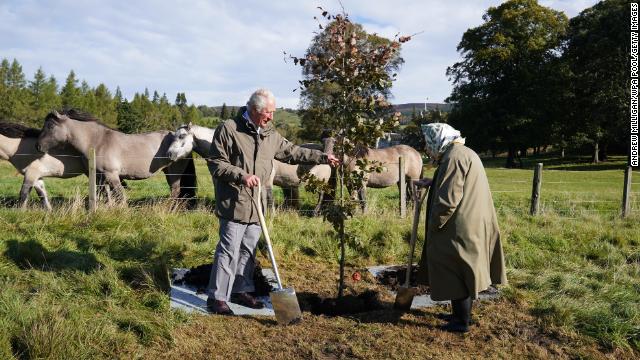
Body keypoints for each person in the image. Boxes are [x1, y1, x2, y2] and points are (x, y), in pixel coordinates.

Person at [205, 88, 339, 315]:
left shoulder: (269, 133)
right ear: (255, 110)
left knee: (248, 250)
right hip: (235, 202)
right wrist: (242, 175)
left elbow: (292, 152)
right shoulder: (229, 129)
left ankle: (241, 290)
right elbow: (216, 162)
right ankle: (217, 298)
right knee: (228, 250)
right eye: (268, 113)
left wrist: (322, 157)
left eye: (273, 113)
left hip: (258, 205)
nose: (271, 117)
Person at [415, 123, 507, 332]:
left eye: (430, 142)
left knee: (455, 269)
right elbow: (455, 182)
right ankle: (460, 314)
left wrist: (434, 224)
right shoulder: (462, 152)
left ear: (439, 140)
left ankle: (460, 323)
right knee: (464, 269)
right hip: (472, 221)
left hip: (459, 225)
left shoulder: (453, 157)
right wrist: (434, 181)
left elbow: (449, 200)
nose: (428, 147)